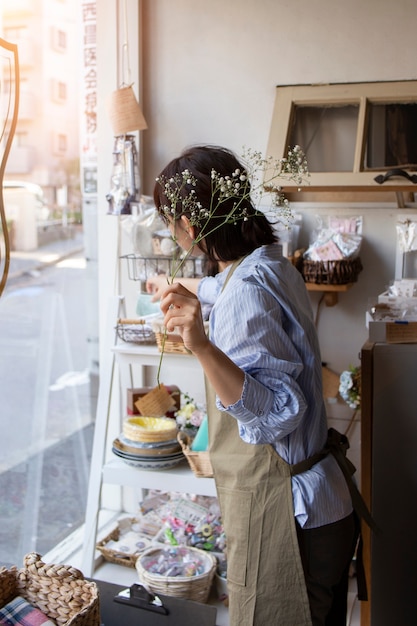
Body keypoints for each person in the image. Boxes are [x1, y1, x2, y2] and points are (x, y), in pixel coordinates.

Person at [147, 145, 359, 626]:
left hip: (288, 517)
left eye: (169, 222)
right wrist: (176, 285)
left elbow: (280, 410)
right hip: (320, 500)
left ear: (190, 225)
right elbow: (232, 290)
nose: (170, 233)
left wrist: (201, 344)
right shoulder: (269, 263)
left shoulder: (244, 287)